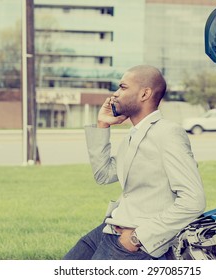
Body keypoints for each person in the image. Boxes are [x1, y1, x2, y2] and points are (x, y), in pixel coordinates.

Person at [63, 65, 205, 260]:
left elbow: (193, 201)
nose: (115, 94)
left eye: (123, 87)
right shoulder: (134, 133)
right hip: (111, 228)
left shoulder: (168, 133)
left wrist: (138, 238)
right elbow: (103, 174)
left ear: (144, 93)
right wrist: (102, 125)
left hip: (133, 241)